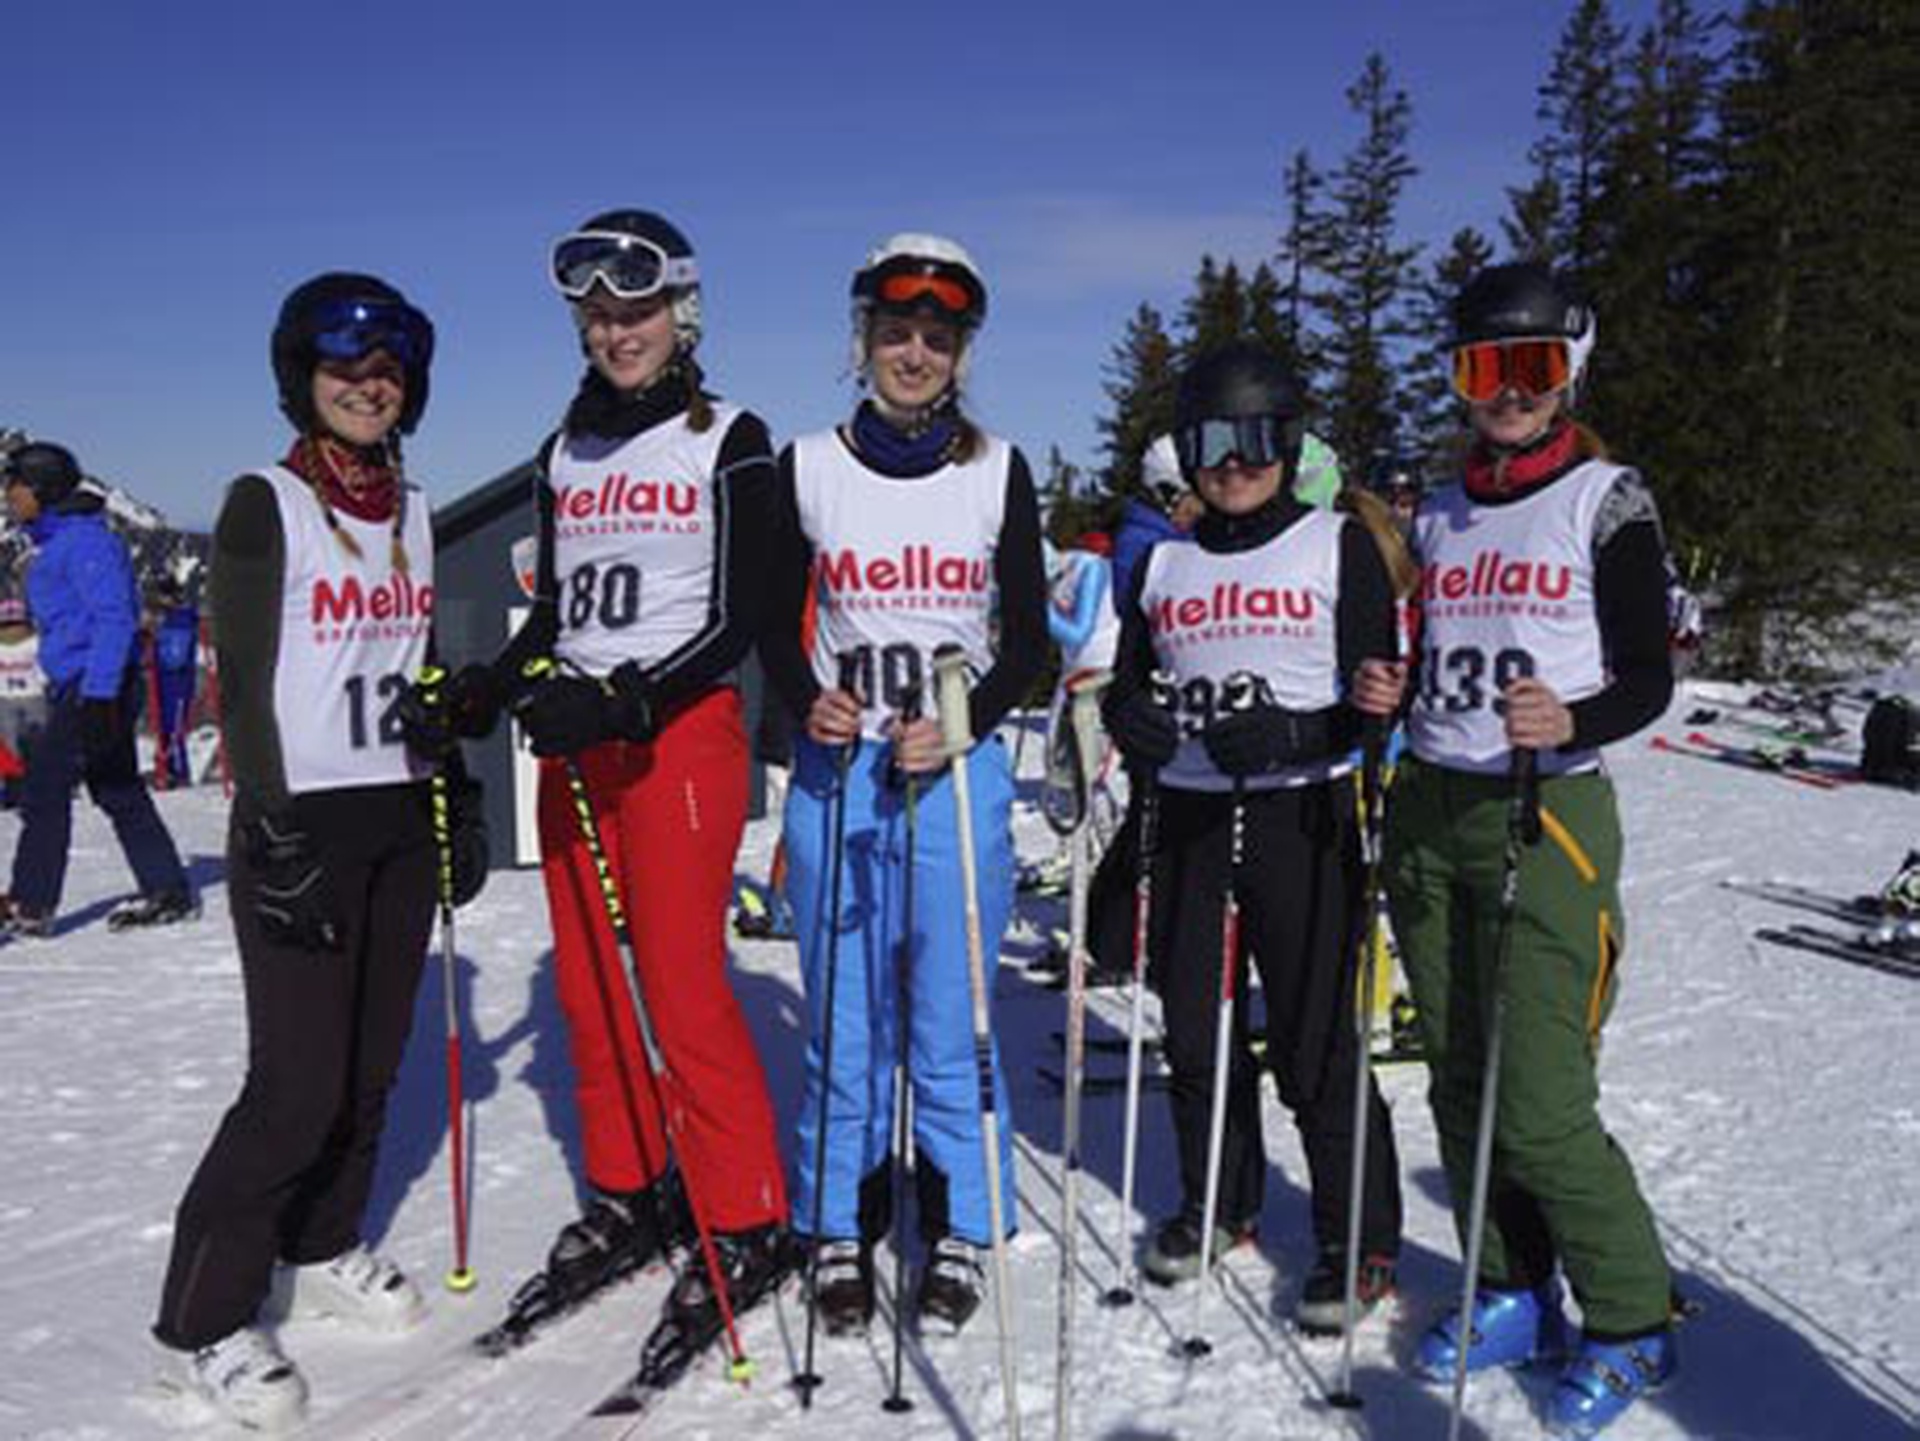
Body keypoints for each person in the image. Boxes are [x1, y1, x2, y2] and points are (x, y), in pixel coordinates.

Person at [410, 209, 794, 1351]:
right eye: (597, 312)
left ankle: (746, 1211)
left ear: (682, 311)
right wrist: (491, 681)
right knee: (586, 983)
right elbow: (560, 613)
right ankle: (633, 1184)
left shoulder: (728, 436)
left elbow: (740, 615)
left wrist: (629, 699)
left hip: (677, 738)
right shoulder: (564, 450)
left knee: (679, 979)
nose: (616, 330)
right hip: (576, 739)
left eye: (636, 309)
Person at [1356, 262, 1679, 1437]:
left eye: (1530, 368)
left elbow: (1648, 671)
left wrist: (1575, 718)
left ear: (1568, 372)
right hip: (1435, 805)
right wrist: (1385, 685)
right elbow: (1427, 643)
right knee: (1456, 1075)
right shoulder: (1439, 510)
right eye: (1482, 367)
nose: (1505, 392)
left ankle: (1632, 1318)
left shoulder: (1608, 498)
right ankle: (1508, 1284)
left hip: (1546, 814)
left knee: (1540, 1104)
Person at [152, 273, 478, 1430]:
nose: (367, 386)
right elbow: (240, 683)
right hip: (300, 822)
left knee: (372, 1065)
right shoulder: (264, 502)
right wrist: (271, 821)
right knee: (293, 1086)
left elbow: (415, 667)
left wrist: (455, 786)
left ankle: (326, 1234)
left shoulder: (413, 506)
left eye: (386, 371)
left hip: (394, 809)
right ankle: (198, 1323)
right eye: (344, 370)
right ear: (305, 378)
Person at [760, 232, 1047, 1335]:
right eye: (896, 333)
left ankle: (964, 1220)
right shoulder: (809, 465)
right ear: (862, 341)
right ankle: (837, 1215)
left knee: (949, 1016)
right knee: (844, 1018)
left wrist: (965, 722)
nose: (914, 354)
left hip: (949, 776)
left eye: (937, 337)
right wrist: (805, 700)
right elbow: (766, 623)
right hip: (842, 777)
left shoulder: (997, 469)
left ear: (962, 352)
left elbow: (1025, 639)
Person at [1100, 342, 1404, 1331]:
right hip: (1188, 813)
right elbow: (1135, 685)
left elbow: (1376, 703)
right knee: (1194, 1031)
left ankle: (1356, 1236)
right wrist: (1127, 718)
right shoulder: (1164, 561)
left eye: (1260, 437)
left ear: (1291, 440)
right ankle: (1218, 1201)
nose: (1237, 462)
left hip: (1302, 814)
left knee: (1314, 1040)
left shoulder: (1335, 544)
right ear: (1187, 450)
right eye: (1214, 441)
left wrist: (1304, 733)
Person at [0, 442, 195, 936]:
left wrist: (100, 695)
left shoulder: (84, 543)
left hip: (94, 684)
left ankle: (29, 903)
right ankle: (166, 887)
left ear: (41, 488)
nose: (8, 495)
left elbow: (114, 620)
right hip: (86, 682)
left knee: (45, 787)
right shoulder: (57, 539)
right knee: (117, 787)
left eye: (15, 485)